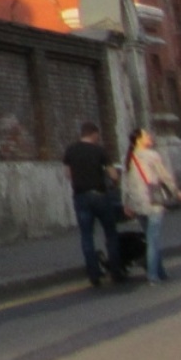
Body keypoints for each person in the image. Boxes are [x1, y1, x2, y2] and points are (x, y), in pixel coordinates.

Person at [63, 121, 123, 286]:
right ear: (94, 134)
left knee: (87, 236)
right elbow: (113, 175)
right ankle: (116, 272)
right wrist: (111, 178)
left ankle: (94, 274)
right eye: (98, 135)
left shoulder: (71, 150)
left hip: (81, 197)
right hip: (99, 196)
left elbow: (68, 174)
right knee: (110, 233)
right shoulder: (99, 151)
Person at [120, 127, 181, 284]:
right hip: (153, 202)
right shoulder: (152, 155)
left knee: (150, 238)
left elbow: (125, 184)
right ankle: (153, 275)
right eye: (146, 135)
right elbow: (164, 176)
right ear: (139, 139)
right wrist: (176, 191)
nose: (150, 136)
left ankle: (160, 272)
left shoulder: (128, 157)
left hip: (137, 204)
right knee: (153, 240)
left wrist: (126, 204)